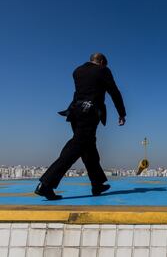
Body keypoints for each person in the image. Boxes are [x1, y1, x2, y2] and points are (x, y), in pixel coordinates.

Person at [35, 53, 126, 200]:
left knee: (88, 148)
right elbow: (114, 92)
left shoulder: (77, 71)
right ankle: (46, 184)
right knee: (76, 146)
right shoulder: (102, 70)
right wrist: (121, 113)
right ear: (102, 62)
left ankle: (97, 184)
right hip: (89, 113)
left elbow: (79, 93)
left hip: (75, 112)